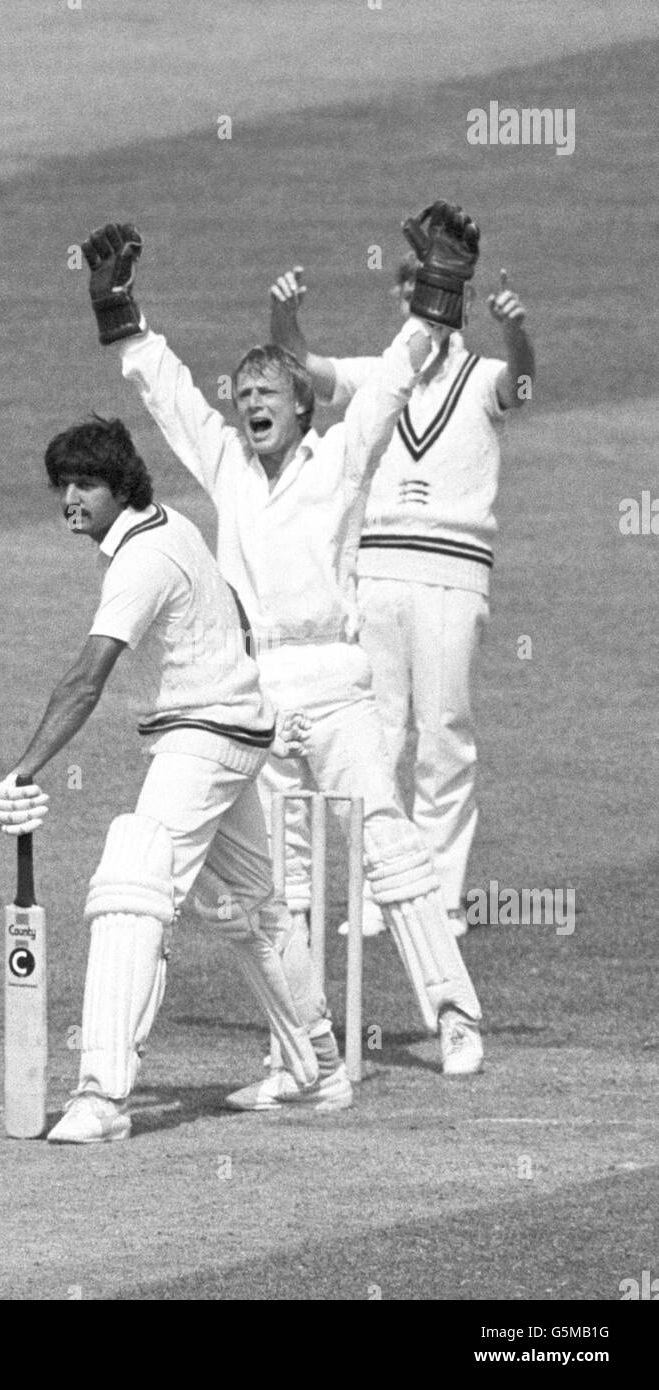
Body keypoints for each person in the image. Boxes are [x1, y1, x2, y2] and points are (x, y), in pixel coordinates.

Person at [81, 220, 484, 1093]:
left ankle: (452, 1018)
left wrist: (439, 294)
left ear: (301, 403)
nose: (249, 403)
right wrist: (123, 317)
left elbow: (389, 384)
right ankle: (299, 1055)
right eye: (243, 393)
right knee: (275, 886)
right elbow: (172, 398)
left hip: (337, 686)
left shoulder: (340, 460)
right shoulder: (226, 467)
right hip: (256, 696)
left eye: (266, 391)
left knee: (386, 844)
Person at [0, 414, 354, 1144]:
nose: (71, 498)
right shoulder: (173, 527)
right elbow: (236, 613)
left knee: (130, 887)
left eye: (86, 483)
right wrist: (246, 693)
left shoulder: (140, 559)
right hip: (233, 732)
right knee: (254, 910)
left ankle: (103, 1094)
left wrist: (24, 769)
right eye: (63, 485)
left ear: (121, 485)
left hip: (203, 741)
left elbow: (87, 679)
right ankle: (318, 1071)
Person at [269, 227, 535, 938]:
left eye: (440, 285)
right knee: (376, 737)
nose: (428, 296)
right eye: (414, 285)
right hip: (376, 570)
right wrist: (284, 317)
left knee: (445, 732)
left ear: (464, 297)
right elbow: (301, 369)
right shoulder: (377, 372)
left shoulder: (481, 375)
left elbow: (522, 385)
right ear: (401, 296)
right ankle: (376, 894)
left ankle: (441, 899)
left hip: (453, 571)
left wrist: (517, 333)